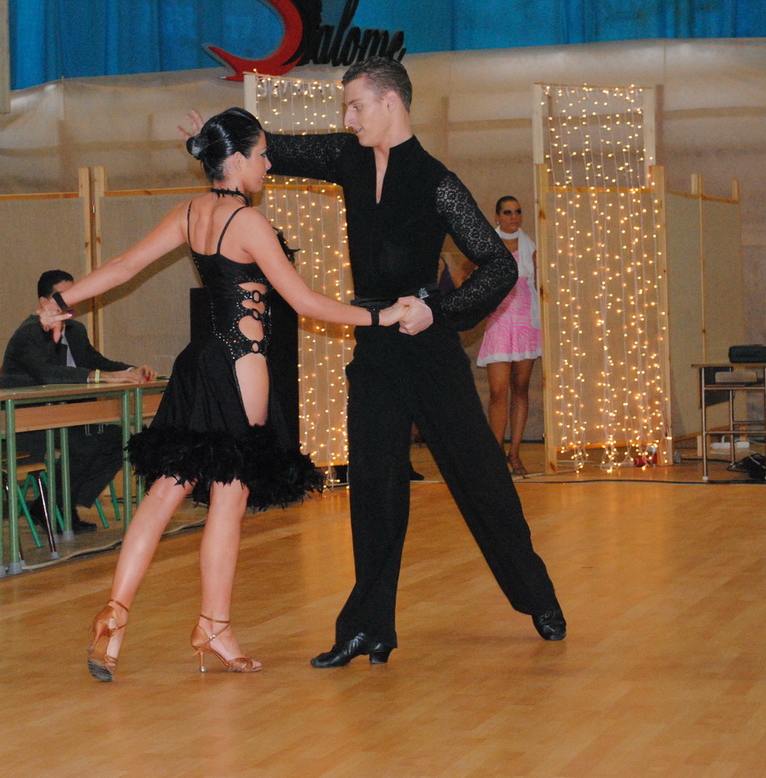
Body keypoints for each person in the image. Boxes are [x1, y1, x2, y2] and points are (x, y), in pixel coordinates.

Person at [37, 107, 406, 682]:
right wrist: (382, 317)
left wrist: (62, 302)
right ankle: (214, 627)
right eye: (261, 155)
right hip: (241, 363)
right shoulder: (249, 223)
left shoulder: (189, 213)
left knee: (166, 491)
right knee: (229, 497)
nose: (268, 164)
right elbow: (305, 303)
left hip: (199, 362)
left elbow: (125, 265)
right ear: (234, 159)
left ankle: (114, 614)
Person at [224, 56, 565, 668]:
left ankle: (536, 595)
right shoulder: (347, 158)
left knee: (481, 480)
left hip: (430, 351)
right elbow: (276, 147)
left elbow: (500, 266)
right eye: (345, 109)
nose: (348, 119)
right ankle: (369, 628)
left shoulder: (436, 182)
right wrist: (219, 135)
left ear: (391, 104)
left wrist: (439, 311)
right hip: (376, 347)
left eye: (356, 106)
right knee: (374, 487)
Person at [0, 269, 156, 531]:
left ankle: (55, 503)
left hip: (67, 417)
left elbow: (96, 361)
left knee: (120, 439)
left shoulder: (75, 330)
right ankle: (54, 507)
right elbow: (49, 374)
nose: (71, 301)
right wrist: (101, 377)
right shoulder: (29, 333)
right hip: (28, 420)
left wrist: (131, 370)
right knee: (84, 444)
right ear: (44, 302)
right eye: (64, 295)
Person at [477, 196, 542, 476]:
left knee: (521, 388)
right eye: (507, 212)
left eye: (517, 211)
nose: (513, 217)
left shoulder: (532, 248)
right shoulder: (487, 246)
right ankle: (495, 455)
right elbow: (464, 276)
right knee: (497, 391)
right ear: (497, 216)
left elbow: (541, 284)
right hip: (500, 322)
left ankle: (515, 454)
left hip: (526, 323)